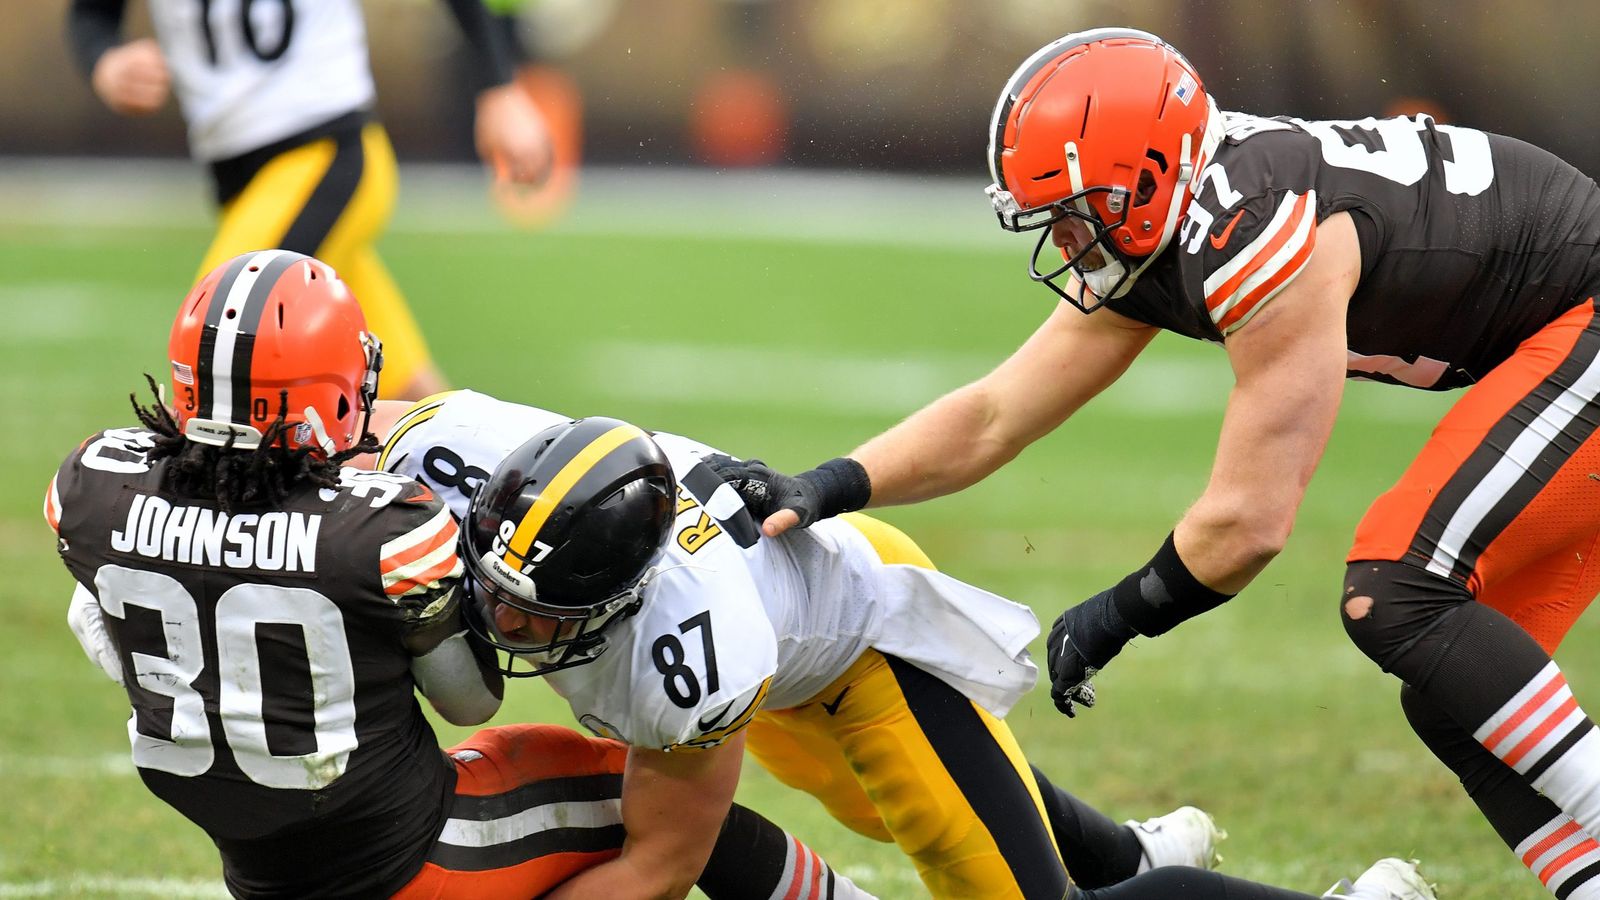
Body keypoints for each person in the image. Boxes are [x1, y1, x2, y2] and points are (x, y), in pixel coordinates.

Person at [704, 24, 1600, 899]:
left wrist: (1116, 615)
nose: (1063, 241)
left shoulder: (1251, 225)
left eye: (1073, 213)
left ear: (1148, 179)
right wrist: (828, 485)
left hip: (1584, 316)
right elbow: (994, 415)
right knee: (1453, 684)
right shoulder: (1177, 219)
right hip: (1560, 335)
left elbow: (1249, 522)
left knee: (1398, 588)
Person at [368, 387, 1433, 900]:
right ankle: (1134, 851)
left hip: (857, 650)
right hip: (778, 652)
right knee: (890, 811)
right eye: (498, 594)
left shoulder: (691, 654)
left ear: (625, 598)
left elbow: (663, 860)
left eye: (538, 617)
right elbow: (360, 427)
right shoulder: (457, 452)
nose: (504, 626)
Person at [42, 249, 876, 900]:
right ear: (326, 394)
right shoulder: (379, 531)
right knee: (671, 820)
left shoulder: (95, 487)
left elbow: (100, 625)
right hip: (400, 850)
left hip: (254, 850)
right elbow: (469, 700)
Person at [64, 0, 553, 400]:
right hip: (245, 185)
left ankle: (203, 519)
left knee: (214, 349)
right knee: (404, 402)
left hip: (327, 156)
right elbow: (91, 13)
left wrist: (498, 89)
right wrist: (105, 60)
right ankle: (485, 501)